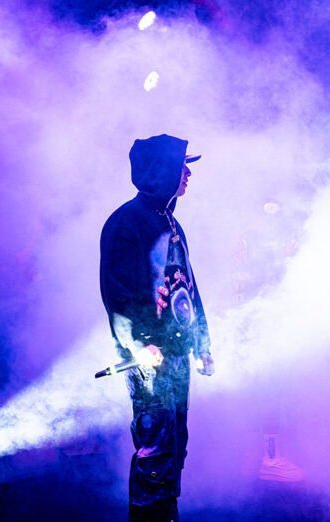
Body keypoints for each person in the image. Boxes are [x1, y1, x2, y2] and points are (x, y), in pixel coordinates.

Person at [100, 134, 215, 521]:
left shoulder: (172, 223)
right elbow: (117, 295)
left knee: (175, 447)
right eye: (182, 166)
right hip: (149, 359)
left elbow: (188, 287)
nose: (187, 175)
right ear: (161, 171)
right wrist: (137, 344)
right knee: (155, 448)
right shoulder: (124, 223)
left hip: (177, 353)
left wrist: (202, 343)